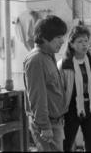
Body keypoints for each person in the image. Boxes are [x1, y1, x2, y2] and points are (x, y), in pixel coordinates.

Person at [57, 25, 91, 151]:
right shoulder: (64, 65)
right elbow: (58, 90)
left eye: (86, 41)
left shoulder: (90, 61)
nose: (84, 45)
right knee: (66, 144)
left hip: (90, 107)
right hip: (71, 109)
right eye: (79, 41)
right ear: (72, 44)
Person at [23, 15, 68, 151]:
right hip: (47, 124)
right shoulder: (36, 60)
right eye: (58, 37)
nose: (62, 41)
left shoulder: (48, 55)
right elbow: (37, 97)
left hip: (56, 121)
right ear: (44, 37)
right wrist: (45, 126)